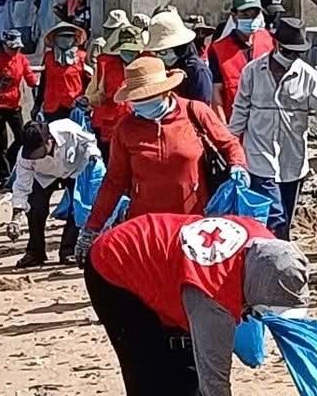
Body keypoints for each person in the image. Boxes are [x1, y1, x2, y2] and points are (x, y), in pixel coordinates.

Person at [85, 210, 312, 396]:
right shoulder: (213, 295)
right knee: (150, 371)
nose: (259, 315)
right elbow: (215, 381)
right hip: (118, 266)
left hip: (170, 270)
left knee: (187, 364)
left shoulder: (271, 249)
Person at [74, 55, 249, 262]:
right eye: (137, 99)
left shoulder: (195, 112)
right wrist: (92, 228)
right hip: (147, 227)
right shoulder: (125, 130)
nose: (141, 104)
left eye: (147, 97)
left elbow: (228, 143)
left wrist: (238, 165)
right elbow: (114, 182)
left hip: (193, 223)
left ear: (166, 91)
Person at [229, 18, 317, 239]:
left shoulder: (307, 76)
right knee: (275, 218)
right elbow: (239, 114)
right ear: (277, 46)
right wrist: (229, 149)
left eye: (298, 53)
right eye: (289, 52)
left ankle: (279, 262)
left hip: (292, 162)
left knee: (285, 220)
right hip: (259, 159)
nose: (293, 58)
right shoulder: (252, 72)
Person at [9, 117, 98, 266]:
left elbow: (89, 142)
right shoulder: (24, 158)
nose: (35, 155)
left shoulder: (67, 129)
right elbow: (21, 185)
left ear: (49, 140)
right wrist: (16, 217)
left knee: (76, 209)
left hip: (75, 169)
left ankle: (68, 250)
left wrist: (93, 157)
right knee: (35, 208)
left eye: (39, 151)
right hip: (44, 176)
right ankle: (35, 252)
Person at [0, 29, 38, 187]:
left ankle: (7, 163)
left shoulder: (22, 60)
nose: (15, 51)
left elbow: (30, 78)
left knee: (21, 137)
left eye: (17, 48)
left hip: (14, 105)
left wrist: (39, 85)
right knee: (2, 141)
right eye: (12, 48)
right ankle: (4, 175)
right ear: (4, 45)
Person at [206, 0, 274, 118]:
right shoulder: (218, 49)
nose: (251, 19)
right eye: (245, 15)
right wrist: (224, 131)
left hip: (266, 123)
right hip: (235, 123)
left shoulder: (269, 42)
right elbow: (216, 92)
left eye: (255, 15)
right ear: (234, 15)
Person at [86, 12, 143, 163]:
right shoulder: (106, 65)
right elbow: (97, 93)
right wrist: (88, 101)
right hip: (110, 125)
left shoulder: (146, 64)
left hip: (138, 124)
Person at [145, 9, 215, 105]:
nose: (160, 56)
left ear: (179, 48)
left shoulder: (197, 71)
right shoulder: (164, 67)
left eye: (164, 51)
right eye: (156, 52)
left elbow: (202, 109)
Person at [36, 22, 88, 121]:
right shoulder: (49, 57)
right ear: (55, 38)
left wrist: (86, 103)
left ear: (74, 38)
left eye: (69, 36)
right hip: (52, 106)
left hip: (74, 106)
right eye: (61, 36)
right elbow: (43, 82)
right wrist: (37, 104)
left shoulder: (81, 56)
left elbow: (88, 82)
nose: (65, 39)